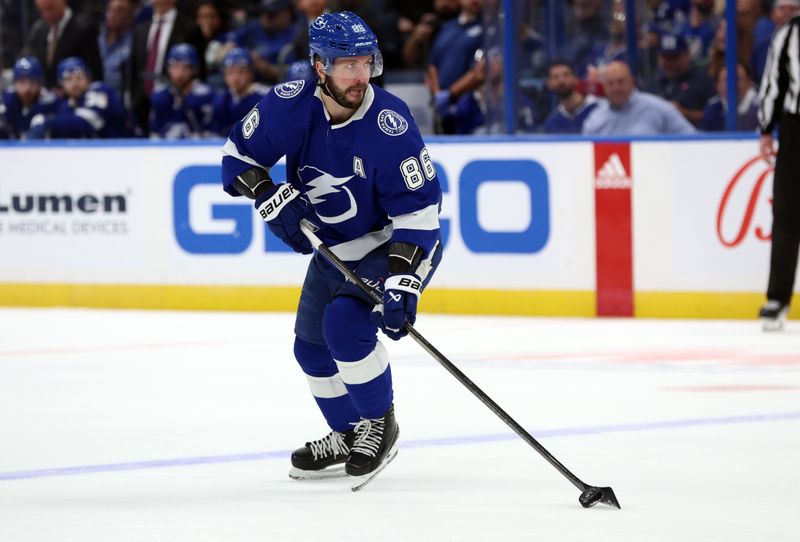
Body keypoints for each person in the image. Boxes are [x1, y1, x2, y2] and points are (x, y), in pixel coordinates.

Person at [220, 11, 443, 483]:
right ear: (319, 66)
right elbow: (236, 157)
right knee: (311, 349)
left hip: (393, 242)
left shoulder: (390, 124)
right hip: (335, 249)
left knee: (345, 324)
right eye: (347, 65)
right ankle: (348, 431)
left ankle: (380, 424)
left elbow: (419, 216)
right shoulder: (288, 106)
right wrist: (269, 196)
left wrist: (404, 280)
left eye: (366, 63)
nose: (360, 76)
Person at [756, 13, 800, 330]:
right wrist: (766, 128)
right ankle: (778, 297)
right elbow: (774, 81)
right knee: (786, 212)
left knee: (787, 213)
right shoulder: (789, 33)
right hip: (796, 126)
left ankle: (777, 299)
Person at [129, 0, 205, 134]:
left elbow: (199, 68)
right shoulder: (141, 29)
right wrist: (133, 99)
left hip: (178, 103)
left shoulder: (189, 27)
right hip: (142, 104)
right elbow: (135, 69)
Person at [28, 56, 131, 139]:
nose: (75, 83)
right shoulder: (66, 106)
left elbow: (88, 122)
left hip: (125, 152)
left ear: (89, 78)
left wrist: (50, 123)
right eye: (68, 79)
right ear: (61, 85)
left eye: (79, 77)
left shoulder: (100, 91)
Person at [582, 60, 696, 135]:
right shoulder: (595, 119)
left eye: (621, 81)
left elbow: (693, 140)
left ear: (632, 81)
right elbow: (585, 154)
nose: (616, 88)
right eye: (610, 83)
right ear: (604, 87)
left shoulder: (660, 108)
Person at [425, 0, 485, 134]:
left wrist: (450, 94)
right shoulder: (446, 28)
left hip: (469, 107)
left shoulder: (486, 29)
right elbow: (432, 64)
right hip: (442, 109)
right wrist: (438, 94)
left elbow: (480, 70)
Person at [25, 0, 103, 88]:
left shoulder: (84, 29)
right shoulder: (38, 30)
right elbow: (27, 58)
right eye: (42, 10)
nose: (46, 15)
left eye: (50, 8)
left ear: (62, 2)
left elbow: (95, 73)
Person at [650, 32, 716, 128]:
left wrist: (685, 113)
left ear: (686, 55)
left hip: (694, 138)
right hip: (658, 139)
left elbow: (716, 116)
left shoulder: (702, 80)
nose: (670, 63)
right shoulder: (654, 82)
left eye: (674, 57)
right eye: (666, 58)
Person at [149, 43, 215, 138]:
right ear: (168, 68)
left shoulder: (205, 95)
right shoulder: (160, 95)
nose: (179, 73)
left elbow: (211, 132)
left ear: (194, 69)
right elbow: (154, 133)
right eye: (175, 66)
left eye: (185, 67)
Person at [0, 57, 63, 139]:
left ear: (40, 83)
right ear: (14, 83)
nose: (27, 88)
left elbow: (69, 122)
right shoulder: (6, 99)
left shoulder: (52, 102)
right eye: (22, 82)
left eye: (33, 82)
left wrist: (50, 121)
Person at [212, 47, 270, 136]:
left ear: (251, 73)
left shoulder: (266, 97)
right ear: (224, 75)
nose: (236, 77)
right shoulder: (222, 100)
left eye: (241, 71)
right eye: (230, 72)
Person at [543, 60, 602, 134]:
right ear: (549, 83)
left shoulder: (598, 108)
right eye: (555, 77)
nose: (561, 81)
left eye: (566, 75)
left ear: (575, 79)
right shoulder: (551, 123)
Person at [701, 62, 758, 131]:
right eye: (726, 80)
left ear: (749, 82)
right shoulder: (712, 109)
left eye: (737, 79)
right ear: (717, 85)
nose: (732, 84)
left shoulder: (761, 106)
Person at [98, 0, 136, 100]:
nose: (112, 15)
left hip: (119, 100)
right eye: (110, 10)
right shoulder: (98, 37)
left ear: (130, 17)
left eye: (119, 11)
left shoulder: (135, 43)